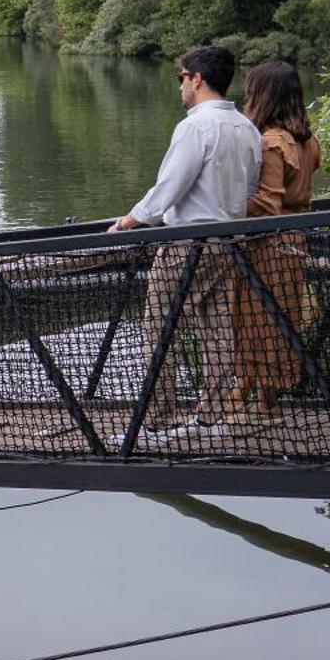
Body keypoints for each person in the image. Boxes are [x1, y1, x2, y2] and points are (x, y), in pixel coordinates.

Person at [108, 45, 262, 436]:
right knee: (218, 330)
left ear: (197, 79)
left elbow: (169, 189)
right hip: (229, 242)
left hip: (187, 244)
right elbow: (250, 190)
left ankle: (156, 422)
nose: (179, 87)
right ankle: (212, 416)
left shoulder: (195, 126)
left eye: (181, 78)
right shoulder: (247, 128)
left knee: (159, 329)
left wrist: (130, 220)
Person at [231, 61, 323, 423]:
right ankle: (257, 398)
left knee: (257, 320)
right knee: (278, 318)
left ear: (263, 95)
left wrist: (223, 205)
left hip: (269, 246)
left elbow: (268, 202)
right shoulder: (307, 139)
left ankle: (253, 402)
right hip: (296, 241)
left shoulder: (271, 142)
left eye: (251, 89)